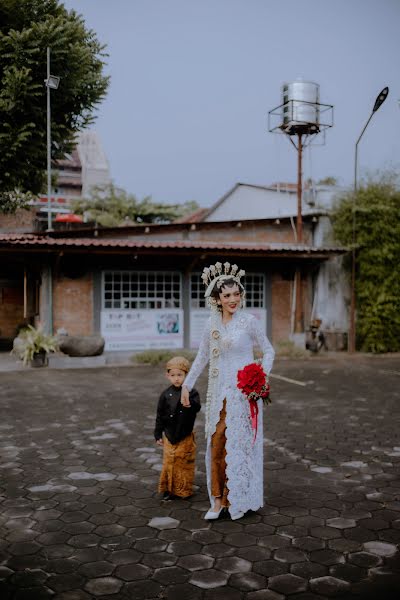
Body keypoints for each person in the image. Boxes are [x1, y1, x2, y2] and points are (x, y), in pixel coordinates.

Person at [181, 262, 275, 520]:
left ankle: (239, 499)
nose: (233, 299)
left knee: (240, 446)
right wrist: (187, 384)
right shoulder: (210, 325)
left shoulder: (249, 322)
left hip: (244, 395)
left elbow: (268, 350)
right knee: (216, 443)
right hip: (219, 394)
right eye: (227, 295)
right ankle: (218, 500)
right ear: (217, 299)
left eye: (237, 294)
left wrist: (261, 378)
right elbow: (202, 357)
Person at [154, 356, 201, 500]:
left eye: (180, 375)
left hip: (185, 434)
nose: (176, 379)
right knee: (169, 462)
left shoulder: (192, 393)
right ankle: (168, 490)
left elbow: (197, 407)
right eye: (173, 375)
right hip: (169, 435)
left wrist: (190, 405)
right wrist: (158, 434)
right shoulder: (165, 395)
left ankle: (183, 490)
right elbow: (160, 415)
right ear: (167, 376)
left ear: (187, 375)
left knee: (183, 462)